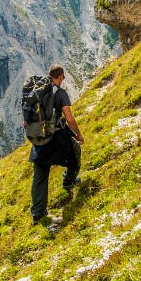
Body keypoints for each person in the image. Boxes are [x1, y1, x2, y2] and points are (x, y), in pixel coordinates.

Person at [29, 64, 85, 224]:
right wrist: (79, 134)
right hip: (58, 137)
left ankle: (38, 214)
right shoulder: (60, 93)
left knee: (39, 175)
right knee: (75, 153)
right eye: (63, 77)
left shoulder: (37, 93)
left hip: (39, 139)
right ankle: (69, 181)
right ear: (60, 76)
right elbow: (69, 118)